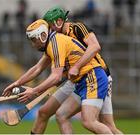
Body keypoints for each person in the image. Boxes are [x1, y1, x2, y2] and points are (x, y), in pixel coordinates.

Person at [16, 19, 111, 134]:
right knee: (61, 115)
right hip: (80, 81)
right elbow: (41, 69)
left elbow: (56, 77)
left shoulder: (57, 41)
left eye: (34, 40)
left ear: (42, 35)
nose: (33, 44)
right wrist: (17, 84)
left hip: (92, 77)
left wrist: (34, 91)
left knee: (89, 122)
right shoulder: (52, 44)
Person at [43, 6, 122, 134]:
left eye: (50, 26)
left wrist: (76, 67)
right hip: (83, 81)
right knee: (61, 115)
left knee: (105, 125)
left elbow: (95, 46)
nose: (49, 31)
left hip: (99, 76)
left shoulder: (77, 28)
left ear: (58, 22)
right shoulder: (59, 41)